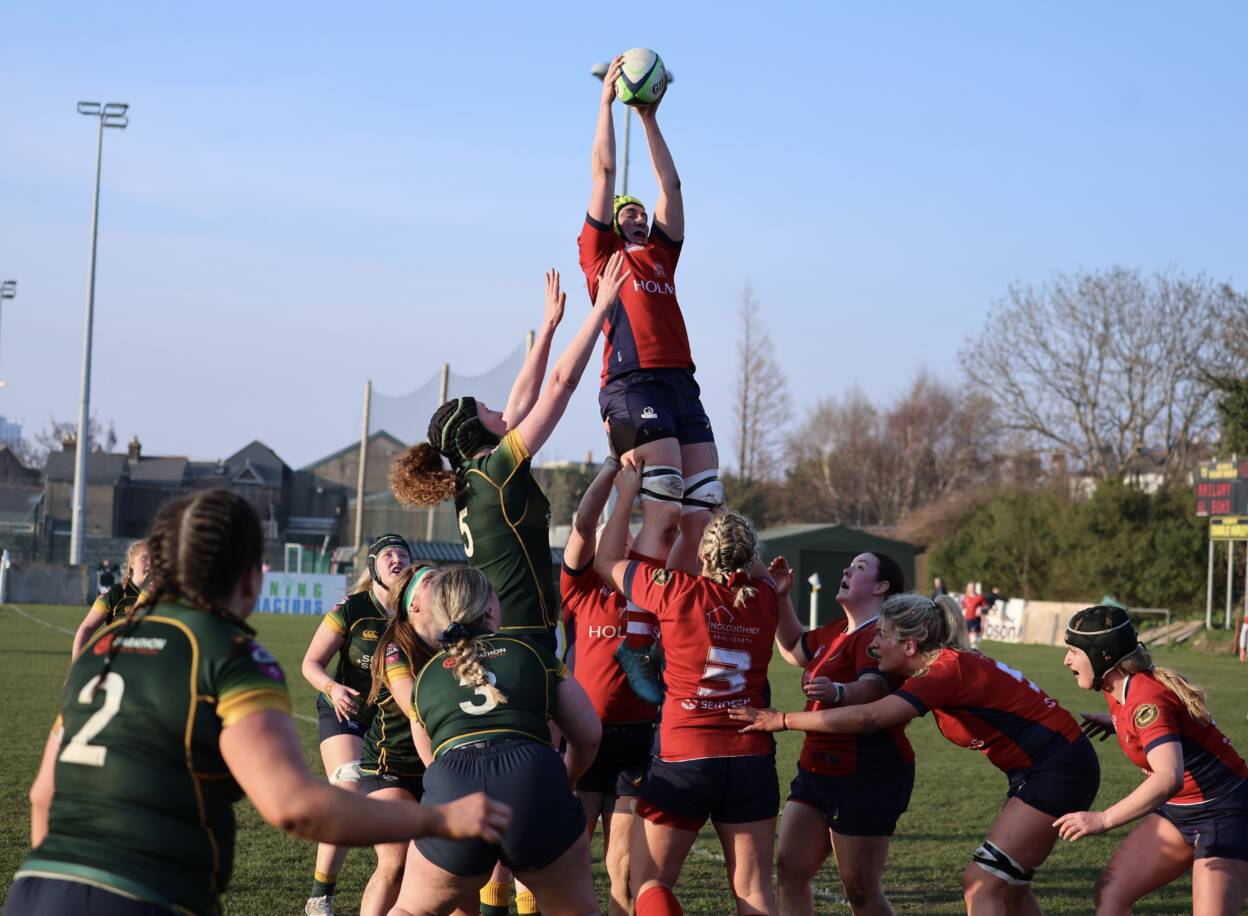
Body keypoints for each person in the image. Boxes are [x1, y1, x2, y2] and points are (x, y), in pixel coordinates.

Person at [5, 490, 510, 916]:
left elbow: (42, 797)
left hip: (37, 889)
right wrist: (439, 820)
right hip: (146, 895)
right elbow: (293, 807)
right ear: (251, 577)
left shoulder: (102, 647)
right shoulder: (228, 654)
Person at [733, 592, 1101, 915]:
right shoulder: (947, 665)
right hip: (1051, 766)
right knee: (1012, 887)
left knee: (981, 883)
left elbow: (872, 716)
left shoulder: (943, 672)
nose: (874, 644)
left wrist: (780, 719)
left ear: (910, 646)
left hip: (1057, 769)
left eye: (882, 635)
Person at [389, 256, 629, 656]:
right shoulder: (496, 470)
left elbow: (522, 401)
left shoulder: (477, 475)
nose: (500, 412)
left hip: (501, 631)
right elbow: (562, 383)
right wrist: (600, 309)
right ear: (474, 431)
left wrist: (549, 329)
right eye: (487, 410)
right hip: (522, 634)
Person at [579, 57, 723, 697]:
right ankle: (640, 639)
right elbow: (606, 174)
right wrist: (608, 105)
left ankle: (668, 623)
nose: (634, 214)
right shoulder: (602, 254)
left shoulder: (662, 251)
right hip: (632, 385)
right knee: (662, 508)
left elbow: (673, 187)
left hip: (680, 384)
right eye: (625, 213)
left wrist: (649, 115)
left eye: (639, 213)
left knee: (703, 512)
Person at [596, 461, 780, 916]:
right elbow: (754, 568)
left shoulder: (677, 591)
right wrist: (720, 510)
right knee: (754, 889)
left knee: (650, 883)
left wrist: (625, 497)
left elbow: (606, 563)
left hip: (685, 758)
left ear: (702, 554)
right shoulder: (767, 597)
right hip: (751, 759)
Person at [387, 565, 603, 915]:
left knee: (411, 910)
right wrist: (568, 778)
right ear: (489, 609)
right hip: (532, 780)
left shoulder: (424, 677)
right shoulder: (531, 653)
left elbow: (432, 760)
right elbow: (589, 733)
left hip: (455, 789)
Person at [1056, 606, 1248, 915]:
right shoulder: (1118, 686)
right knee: (1110, 895)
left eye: (1073, 651)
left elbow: (1167, 777)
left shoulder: (1145, 700)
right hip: (1177, 814)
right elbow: (1155, 723)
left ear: (1101, 655)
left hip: (1225, 814)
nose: (1066, 660)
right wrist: (1116, 722)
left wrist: (1102, 819)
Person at [769, 551, 913, 916]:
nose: (848, 569)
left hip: (865, 773)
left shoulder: (881, 635)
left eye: (860, 567)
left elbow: (874, 687)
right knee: (789, 870)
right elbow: (793, 648)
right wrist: (782, 596)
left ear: (882, 587)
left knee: (861, 891)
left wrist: (839, 692)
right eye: (850, 565)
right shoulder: (836, 629)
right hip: (816, 767)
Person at [561, 457, 659, 915]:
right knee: (568, 861)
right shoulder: (579, 591)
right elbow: (583, 525)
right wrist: (615, 482)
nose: (617, 542)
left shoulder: (650, 592)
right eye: (608, 538)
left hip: (638, 743)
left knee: (622, 868)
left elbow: (668, 534)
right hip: (585, 738)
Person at [300, 532, 412, 916]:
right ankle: (320, 897)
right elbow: (309, 664)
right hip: (345, 711)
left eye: (402, 553)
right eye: (387, 554)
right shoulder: (352, 608)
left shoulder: (417, 610)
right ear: (373, 567)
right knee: (347, 784)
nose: (396, 558)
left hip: (390, 722)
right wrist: (333, 688)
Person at [357, 562, 440, 916]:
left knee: (445, 872)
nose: (441, 585)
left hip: (437, 771)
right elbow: (414, 707)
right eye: (430, 582)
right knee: (396, 862)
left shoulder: (456, 640)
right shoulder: (394, 647)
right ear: (412, 603)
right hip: (389, 768)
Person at [72, 539, 150, 659]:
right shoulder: (116, 594)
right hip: (116, 664)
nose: (150, 563)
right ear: (132, 563)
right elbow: (85, 629)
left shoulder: (163, 595)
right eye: (144, 558)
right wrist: (75, 667)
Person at [960, 581, 987, 649]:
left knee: (973, 640)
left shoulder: (980, 597)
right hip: (966, 620)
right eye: (970, 587)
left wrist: (981, 610)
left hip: (975, 620)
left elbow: (986, 608)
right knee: (966, 641)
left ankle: (975, 654)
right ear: (968, 588)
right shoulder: (965, 597)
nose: (972, 588)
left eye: (973, 587)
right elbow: (961, 607)